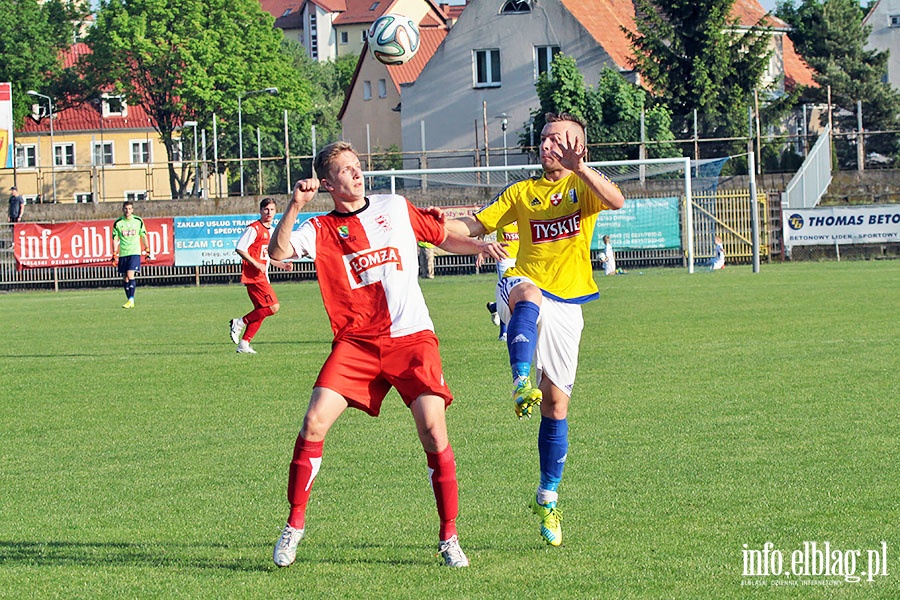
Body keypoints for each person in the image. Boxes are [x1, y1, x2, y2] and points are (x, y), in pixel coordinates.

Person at [267, 141, 506, 569]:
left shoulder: (394, 206)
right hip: (356, 343)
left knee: (434, 432)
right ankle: (294, 526)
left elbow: (440, 236)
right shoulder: (320, 227)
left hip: (412, 338)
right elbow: (278, 252)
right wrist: (294, 204)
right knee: (313, 421)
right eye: (345, 169)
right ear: (327, 183)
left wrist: (480, 248)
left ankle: (449, 536)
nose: (356, 174)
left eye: (357, 166)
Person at [443, 112, 625, 547]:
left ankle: (547, 497)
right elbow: (476, 226)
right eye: (544, 138)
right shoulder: (521, 192)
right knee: (527, 292)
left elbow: (617, 201)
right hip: (522, 282)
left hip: (570, 303)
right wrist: (429, 225)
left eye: (558, 140)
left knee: (557, 406)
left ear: (579, 147)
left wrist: (581, 169)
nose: (547, 145)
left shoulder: (583, 186)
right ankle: (521, 381)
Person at [229, 198, 294, 354]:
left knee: (261, 310)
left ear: (275, 212)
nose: (269, 212)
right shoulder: (254, 229)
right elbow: (240, 248)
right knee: (273, 307)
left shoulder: (271, 231)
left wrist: (282, 265)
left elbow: (267, 256)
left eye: (272, 209)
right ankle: (239, 322)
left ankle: (244, 343)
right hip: (254, 276)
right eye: (266, 209)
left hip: (262, 275)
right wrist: (255, 263)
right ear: (260, 211)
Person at [111, 200, 151, 309]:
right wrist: (114, 253)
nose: (127, 211)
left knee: (130, 275)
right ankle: (129, 300)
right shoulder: (118, 223)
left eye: (129, 209)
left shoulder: (138, 221)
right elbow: (115, 239)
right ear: (123, 209)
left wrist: (147, 250)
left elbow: (143, 236)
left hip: (134, 252)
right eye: (126, 209)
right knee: (125, 278)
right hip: (123, 253)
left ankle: (131, 299)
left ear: (132, 210)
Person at [486, 221, 519, 341]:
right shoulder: (503, 215)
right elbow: (483, 229)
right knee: (506, 293)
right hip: (504, 258)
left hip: (521, 257)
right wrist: (480, 250)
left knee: (519, 293)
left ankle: (494, 307)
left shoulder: (523, 212)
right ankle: (503, 333)